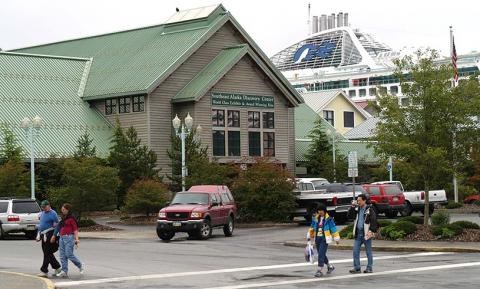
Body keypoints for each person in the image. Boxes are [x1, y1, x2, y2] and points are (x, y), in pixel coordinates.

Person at [306, 203, 340, 277]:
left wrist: (336, 238)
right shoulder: (315, 218)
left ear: (325, 211)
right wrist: (309, 235)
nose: (320, 212)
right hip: (317, 239)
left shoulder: (329, 219)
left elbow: (333, 229)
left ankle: (319, 270)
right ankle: (330, 266)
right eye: (319, 210)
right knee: (322, 254)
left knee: (320, 254)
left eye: (321, 210)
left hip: (324, 239)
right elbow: (312, 227)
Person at [51, 203, 84, 278]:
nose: (62, 211)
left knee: (69, 254)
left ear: (68, 210)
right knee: (62, 255)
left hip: (69, 237)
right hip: (61, 238)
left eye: (64, 209)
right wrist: (54, 235)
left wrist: (77, 239)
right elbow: (58, 227)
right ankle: (64, 271)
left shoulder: (71, 219)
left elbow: (75, 229)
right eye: (62, 209)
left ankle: (80, 265)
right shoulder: (63, 218)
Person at [348, 194, 378, 274]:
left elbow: (374, 220)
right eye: (357, 200)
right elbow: (350, 216)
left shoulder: (369, 209)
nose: (358, 202)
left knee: (368, 251)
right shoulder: (357, 209)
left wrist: (371, 231)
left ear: (364, 200)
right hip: (358, 233)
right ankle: (357, 268)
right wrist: (352, 207)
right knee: (355, 251)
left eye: (360, 200)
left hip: (366, 233)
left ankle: (369, 268)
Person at [36, 200, 61, 277]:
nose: (43, 208)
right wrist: (38, 234)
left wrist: (54, 235)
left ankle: (44, 271)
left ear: (48, 205)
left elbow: (57, 224)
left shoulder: (53, 213)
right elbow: (41, 224)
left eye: (44, 207)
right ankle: (57, 267)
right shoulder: (42, 213)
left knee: (47, 252)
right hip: (43, 234)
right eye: (42, 207)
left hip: (50, 234)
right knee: (47, 252)